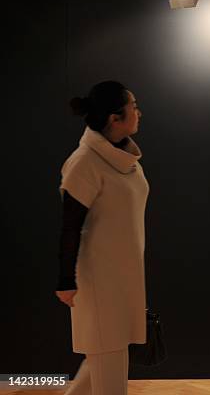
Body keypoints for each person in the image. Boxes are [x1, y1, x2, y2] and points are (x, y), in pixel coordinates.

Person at [55, 80, 148, 395]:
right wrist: (66, 280)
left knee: (98, 366)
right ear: (114, 118)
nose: (139, 112)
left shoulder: (126, 161)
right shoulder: (84, 163)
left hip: (123, 276)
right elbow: (70, 226)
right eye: (133, 106)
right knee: (108, 369)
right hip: (98, 281)